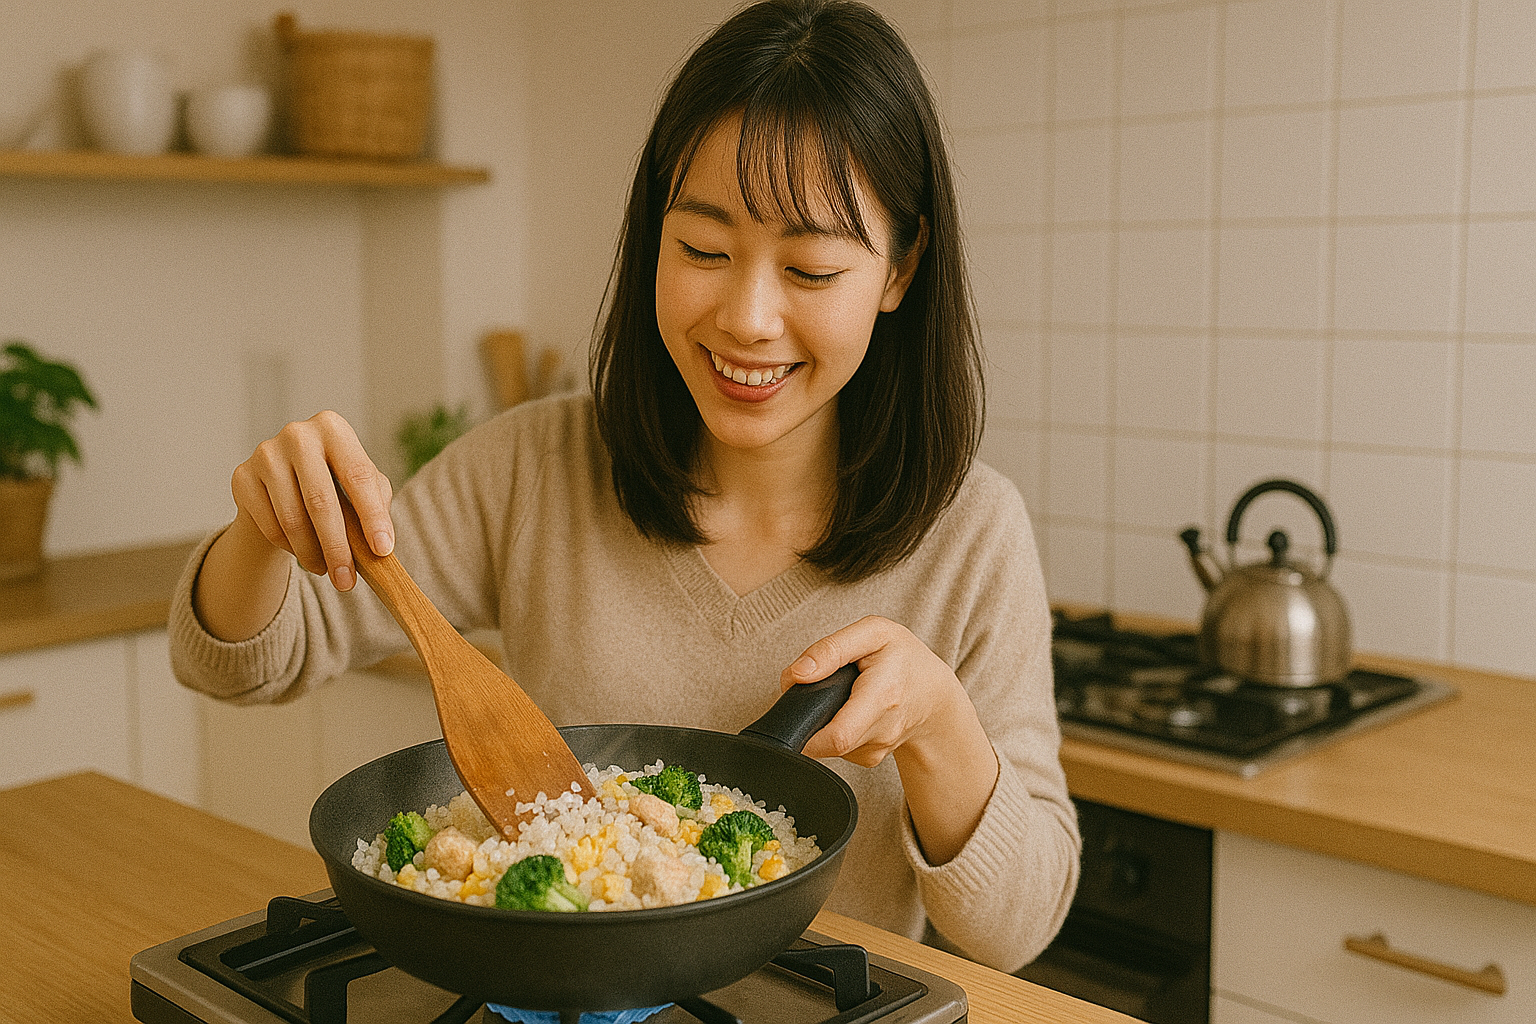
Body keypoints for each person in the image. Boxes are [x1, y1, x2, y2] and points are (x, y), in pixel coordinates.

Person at [171, 0, 1079, 973]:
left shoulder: (975, 534)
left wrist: (940, 724)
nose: (748, 317)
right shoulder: (534, 467)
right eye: (702, 250)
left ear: (900, 269)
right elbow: (236, 662)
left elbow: (1015, 930)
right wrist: (263, 528)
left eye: (811, 269)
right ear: (653, 233)